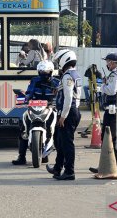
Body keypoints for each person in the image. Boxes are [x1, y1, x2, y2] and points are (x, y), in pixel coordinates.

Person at [12, 60, 60, 165]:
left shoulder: (57, 82)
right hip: (35, 107)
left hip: (50, 107)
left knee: (58, 129)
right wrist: (26, 99)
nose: (44, 74)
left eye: (46, 72)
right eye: (42, 72)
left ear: (51, 72)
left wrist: (57, 102)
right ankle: (21, 156)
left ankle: (58, 158)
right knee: (23, 123)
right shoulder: (34, 80)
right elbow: (29, 92)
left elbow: (60, 95)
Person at [46, 49, 81, 180]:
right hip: (71, 112)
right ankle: (57, 167)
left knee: (67, 144)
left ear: (63, 60)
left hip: (68, 113)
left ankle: (69, 171)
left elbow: (68, 98)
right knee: (60, 142)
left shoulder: (67, 76)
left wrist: (63, 116)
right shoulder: (74, 74)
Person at [89, 53, 117, 173]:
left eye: (108, 61)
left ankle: (106, 164)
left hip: (112, 109)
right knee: (113, 137)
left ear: (114, 63)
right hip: (115, 109)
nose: (107, 64)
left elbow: (111, 91)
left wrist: (102, 86)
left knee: (107, 137)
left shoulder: (114, 75)